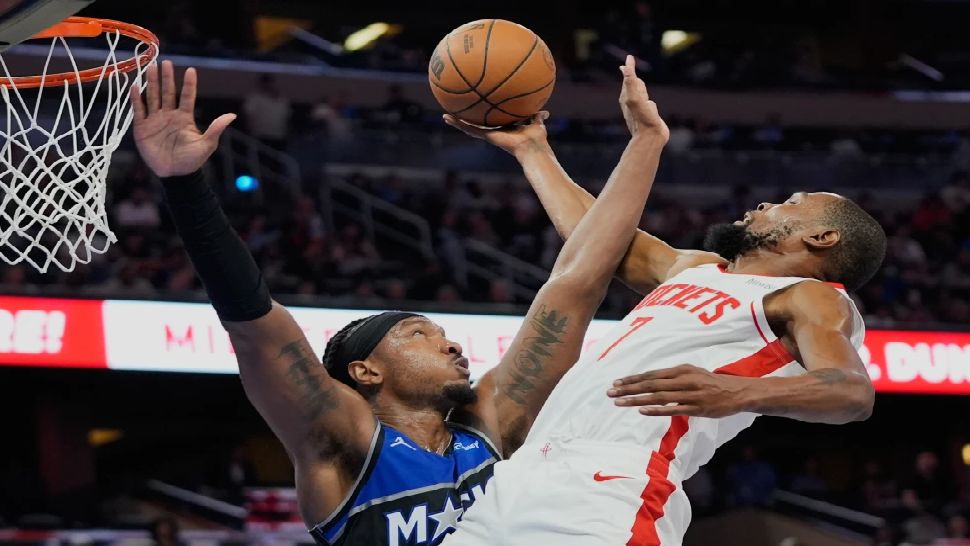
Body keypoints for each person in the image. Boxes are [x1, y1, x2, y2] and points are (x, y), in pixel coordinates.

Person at [130, 58, 669, 546]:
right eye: (419, 335)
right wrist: (185, 186)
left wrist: (620, 144)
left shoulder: (490, 426)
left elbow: (576, 282)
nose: (452, 343)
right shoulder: (345, 443)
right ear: (365, 371)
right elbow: (255, 326)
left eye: (440, 334)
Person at [442, 64, 886, 546]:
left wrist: (735, 393)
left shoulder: (809, 297)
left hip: (613, 487)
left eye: (790, 203)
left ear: (822, 237)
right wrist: (533, 150)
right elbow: (598, 240)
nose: (764, 206)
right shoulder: (696, 267)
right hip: (518, 475)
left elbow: (851, 392)